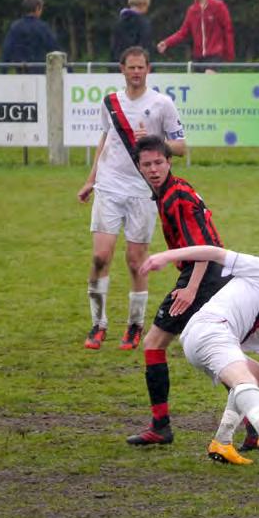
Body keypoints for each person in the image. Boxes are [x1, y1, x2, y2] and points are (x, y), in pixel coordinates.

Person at [139, 245, 259, 465]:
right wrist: (166, 256)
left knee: (257, 374)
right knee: (245, 378)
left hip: (209, 340)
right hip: (209, 329)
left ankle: (222, 442)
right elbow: (214, 253)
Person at [77, 46, 186, 351]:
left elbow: (180, 147)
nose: (136, 72)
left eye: (141, 67)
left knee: (136, 261)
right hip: (110, 186)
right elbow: (106, 138)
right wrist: (91, 180)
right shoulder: (111, 102)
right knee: (100, 257)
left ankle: (135, 325)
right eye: (131, 67)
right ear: (122, 69)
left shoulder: (162, 104)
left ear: (148, 69)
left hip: (143, 191)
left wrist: (153, 142)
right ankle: (98, 324)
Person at [124, 136, 230, 445]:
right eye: (147, 164)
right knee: (219, 354)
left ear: (169, 162)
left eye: (159, 162)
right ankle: (254, 424)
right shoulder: (168, 192)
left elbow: (205, 247)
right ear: (139, 167)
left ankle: (160, 426)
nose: (154, 169)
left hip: (203, 274)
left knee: (155, 344)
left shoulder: (177, 196)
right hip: (207, 272)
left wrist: (191, 288)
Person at [157, 0, 234, 73]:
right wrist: (166, 42)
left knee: (209, 75)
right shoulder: (192, 10)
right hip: (198, 56)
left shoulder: (218, 6)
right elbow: (183, 32)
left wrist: (229, 54)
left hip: (214, 54)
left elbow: (228, 29)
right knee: (199, 82)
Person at [1, 0, 59, 74]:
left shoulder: (15, 27)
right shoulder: (43, 27)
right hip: (39, 74)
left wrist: (3, 72)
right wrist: (69, 70)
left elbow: (7, 50)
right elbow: (55, 49)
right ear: (37, 9)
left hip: (21, 72)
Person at [110, 0, 153, 67]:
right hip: (138, 68)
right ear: (144, 5)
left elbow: (114, 47)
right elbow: (145, 46)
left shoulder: (118, 22)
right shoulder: (144, 24)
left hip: (118, 66)